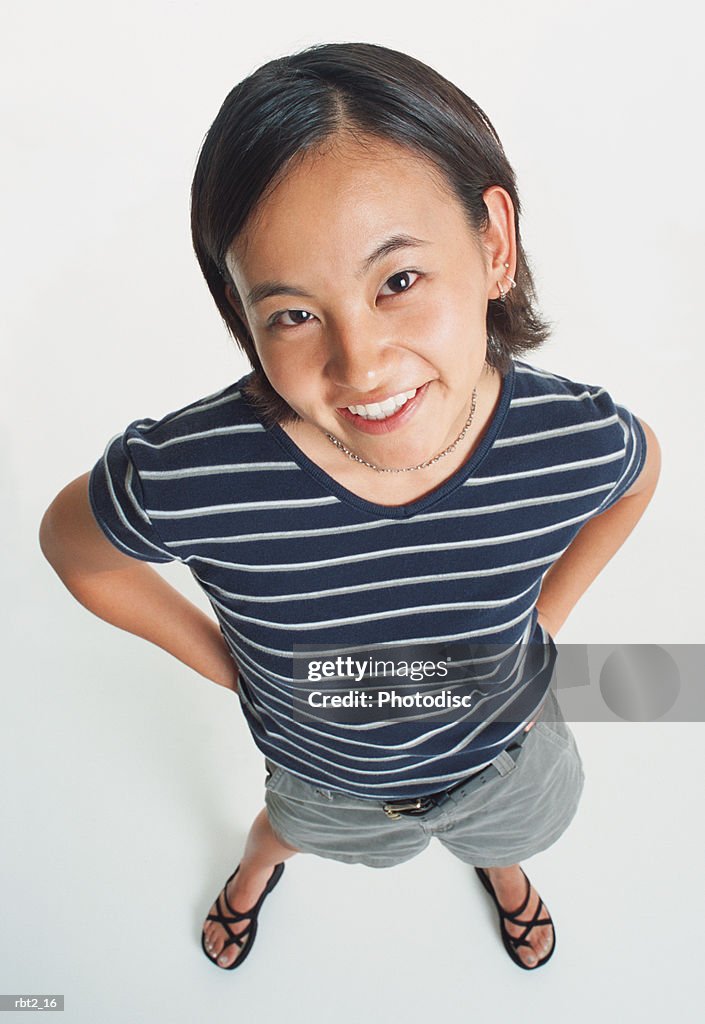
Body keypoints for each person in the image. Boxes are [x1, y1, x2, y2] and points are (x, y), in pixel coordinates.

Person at [39, 41, 661, 974]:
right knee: (285, 829)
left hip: (503, 751)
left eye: (398, 281)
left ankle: (501, 870)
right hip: (321, 774)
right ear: (237, 307)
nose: (360, 364)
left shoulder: (569, 440)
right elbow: (75, 547)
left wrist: (546, 615)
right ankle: (253, 874)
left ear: (492, 243)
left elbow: (639, 473)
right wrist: (226, 664)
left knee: (500, 829)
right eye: (292, 312)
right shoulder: (192, 473)